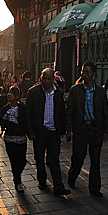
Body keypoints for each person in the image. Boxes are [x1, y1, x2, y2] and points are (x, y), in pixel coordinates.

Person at [66, 61, 108, 197]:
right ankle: (72, 176)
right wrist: (68, 130)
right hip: (81, 128)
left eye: (87, 72)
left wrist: (106, 131)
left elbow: (105, 112)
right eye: (83, 72)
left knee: (95, 160)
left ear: (94, 75)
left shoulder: (100, 91)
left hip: (96, 129)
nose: (84, 74)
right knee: (78, 157)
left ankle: (95, 188)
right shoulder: (75, 90)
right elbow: (70, 111)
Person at [26, 68, 71, 197]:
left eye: (49, 79)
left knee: (54, 159)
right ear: (41, 78)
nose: (46, 81)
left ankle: (58, 186)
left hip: (53, 132)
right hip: (39, 131)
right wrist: (30, 131)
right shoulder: (33, 92)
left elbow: (61, 113)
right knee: (39, 158)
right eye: (44, 78)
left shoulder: (58, 94)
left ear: (53, 79)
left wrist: (64, 131)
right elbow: (28, 113)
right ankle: (42, 181)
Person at [0, 86, 32, 193]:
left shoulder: (22, 108)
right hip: (10, 138)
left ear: (17, 96)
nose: (9, 95)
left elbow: (27, 120)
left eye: (12, 93)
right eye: (8, 92)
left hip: (21, 138)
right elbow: (1, 122)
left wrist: (29, 132)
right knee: (13, 161)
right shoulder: (5, 109)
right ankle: (17, 181)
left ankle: (17, 174)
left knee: (22, 160)